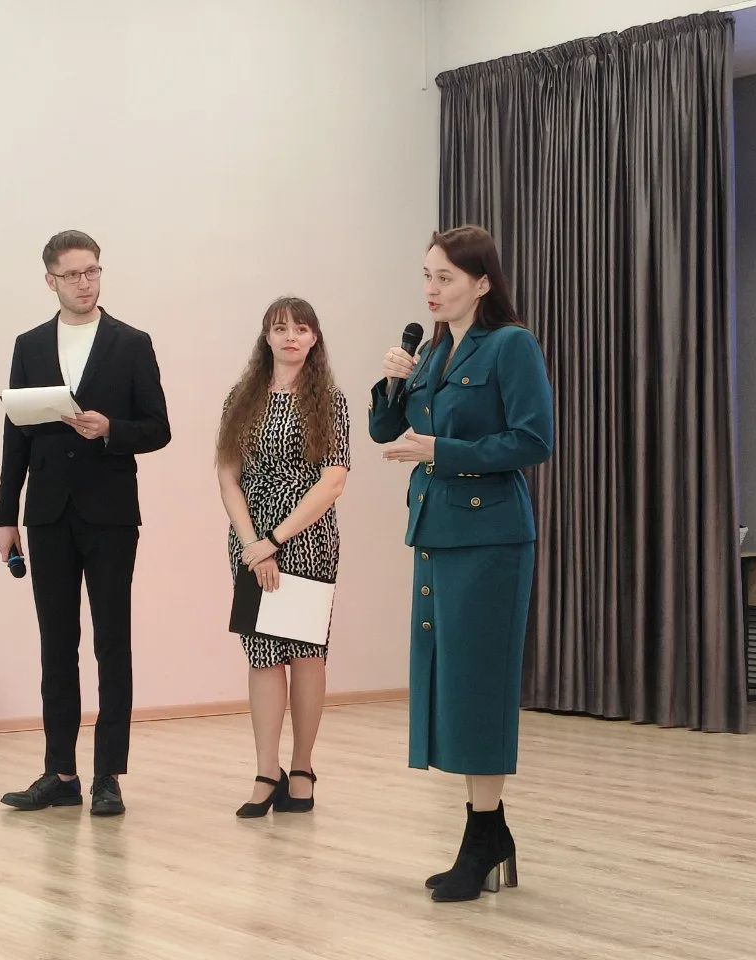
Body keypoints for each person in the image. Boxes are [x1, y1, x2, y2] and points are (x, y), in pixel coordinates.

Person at [368, 225, 554, 902]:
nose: (432, 289)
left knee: (478, 686)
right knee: (451, 685)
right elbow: (385, 432)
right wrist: (391, 384)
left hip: (491, 539)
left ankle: (482, 838)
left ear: (481, 283)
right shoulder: (432, 351)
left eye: (445, 277)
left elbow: (533, 440)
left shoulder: (511, 345)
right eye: (427, 275)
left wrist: (440, 452)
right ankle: (489, 833)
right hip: (437, 532)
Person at [0, 229, 171, 818]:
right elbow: (16, 435)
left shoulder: (131, 343)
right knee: (56, 645)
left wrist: (111, 429)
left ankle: (108, 775)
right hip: (47, 514)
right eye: (73, 274)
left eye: (93, 271)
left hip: (110, 514)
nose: (85, 283)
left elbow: (159, 427)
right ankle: (60, 773)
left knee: (111, 644)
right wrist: (5, 515)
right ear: (51, 280)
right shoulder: (29, 345)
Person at [215, 296, 350, 818]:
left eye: (300, 328)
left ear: (314, 338)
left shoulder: (329, 400)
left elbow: (332, 481)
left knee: (306, 655)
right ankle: (265, 771)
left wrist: (274, 540)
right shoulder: (241, 397)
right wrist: (254, 545)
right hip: (250, 544)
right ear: (266, 337)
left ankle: (302, 768)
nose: (290, 337)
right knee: (263, 657)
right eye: (280, 328)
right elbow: (228, 476)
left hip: (307, 540)